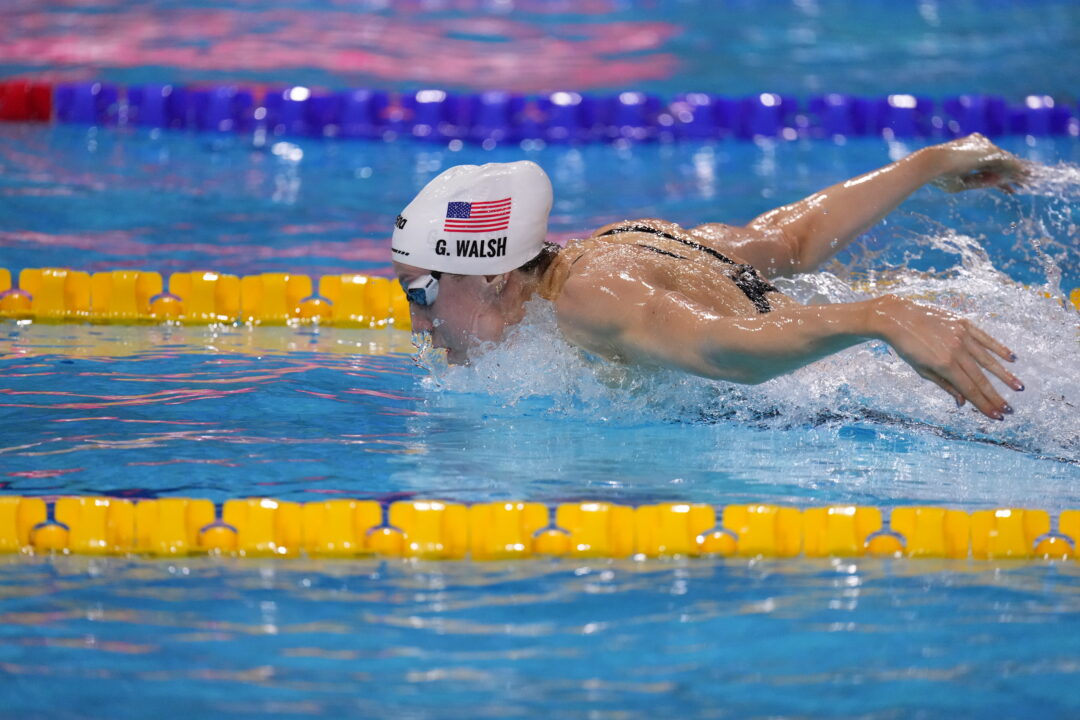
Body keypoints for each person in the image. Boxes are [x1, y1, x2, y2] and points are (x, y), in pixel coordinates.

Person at [391, 133, 1029, 421]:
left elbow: (724, 352)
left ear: (493, 276)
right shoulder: (631, 242)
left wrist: (879, 315)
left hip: (908, 406)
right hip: (925, 380)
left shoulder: (592, 298)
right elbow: (792, 239)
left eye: (421, 294)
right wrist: (929, 162)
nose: (419, 324)